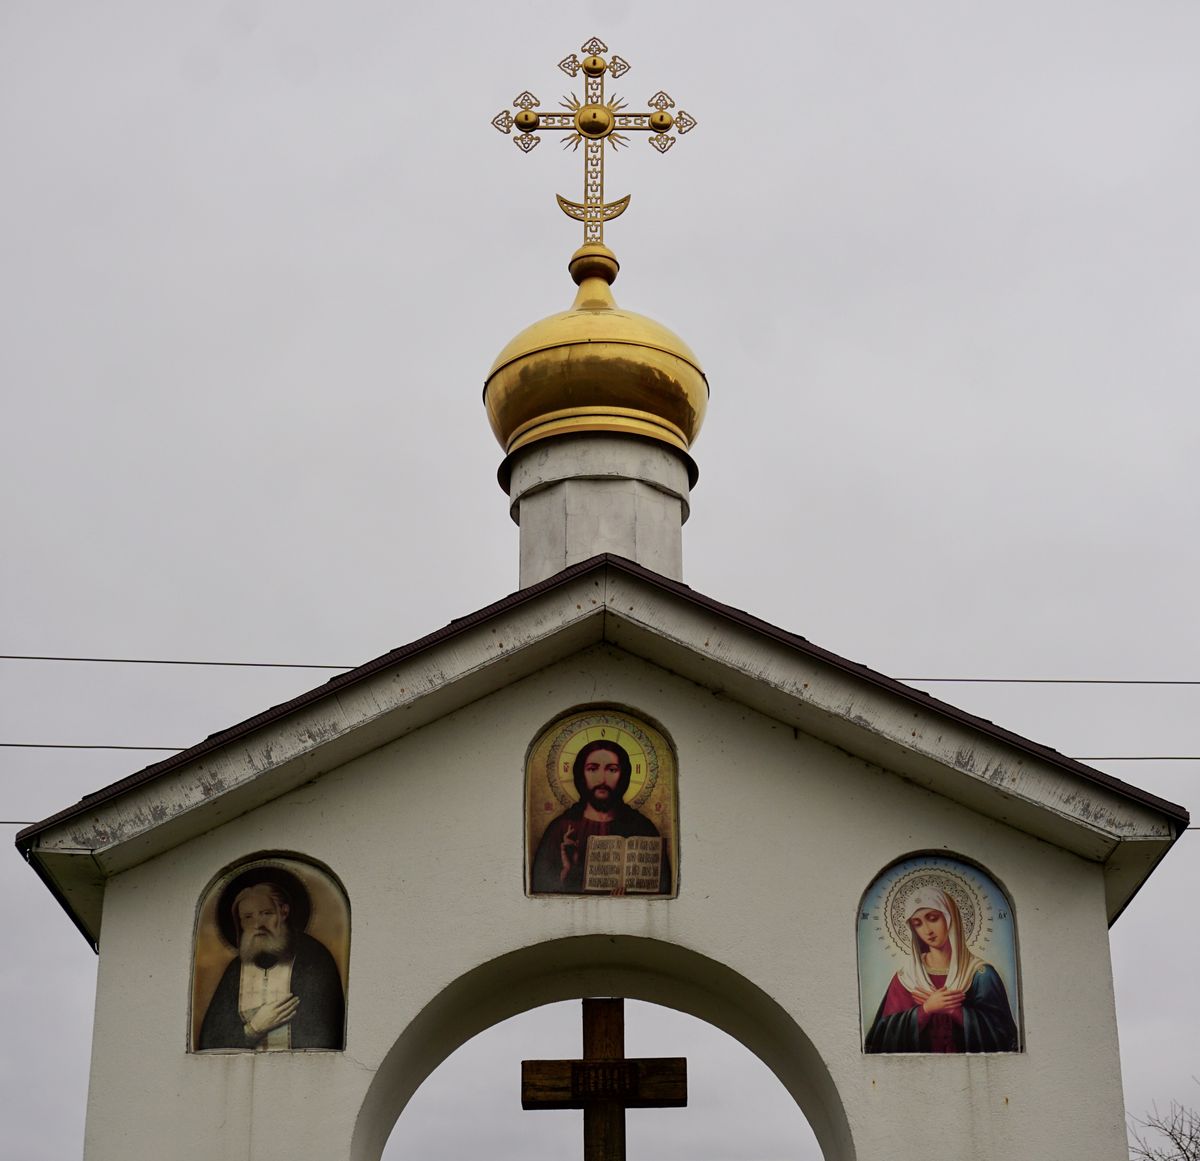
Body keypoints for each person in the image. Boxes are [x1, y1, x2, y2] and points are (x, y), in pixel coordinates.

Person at [865, 886, 1018, 1053]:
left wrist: (955, 1011)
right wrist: (925, 1010)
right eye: (917, 924)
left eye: (933, 918)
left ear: (950, 918)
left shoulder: (981, 975)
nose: (927, 930)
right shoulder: (906, 978)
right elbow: (882, 1038)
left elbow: (1003, 1036)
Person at [197, 878, 345, 1051]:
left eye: (266, 913)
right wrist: (254, 1028)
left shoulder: (314, 959)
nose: (257, 924)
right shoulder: (236, 969)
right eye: (248, 917)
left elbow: (325, 1036)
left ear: (284, 912)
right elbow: (211, 1042)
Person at [531, 739, 671, 894]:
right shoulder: (561, 829)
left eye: (612, 770)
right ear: (581, 774)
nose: (602, 779)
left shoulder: (642, 827)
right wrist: (568, 871)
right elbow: (542, 885)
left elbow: (661, 886)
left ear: (623, 775)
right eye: (592, 769)